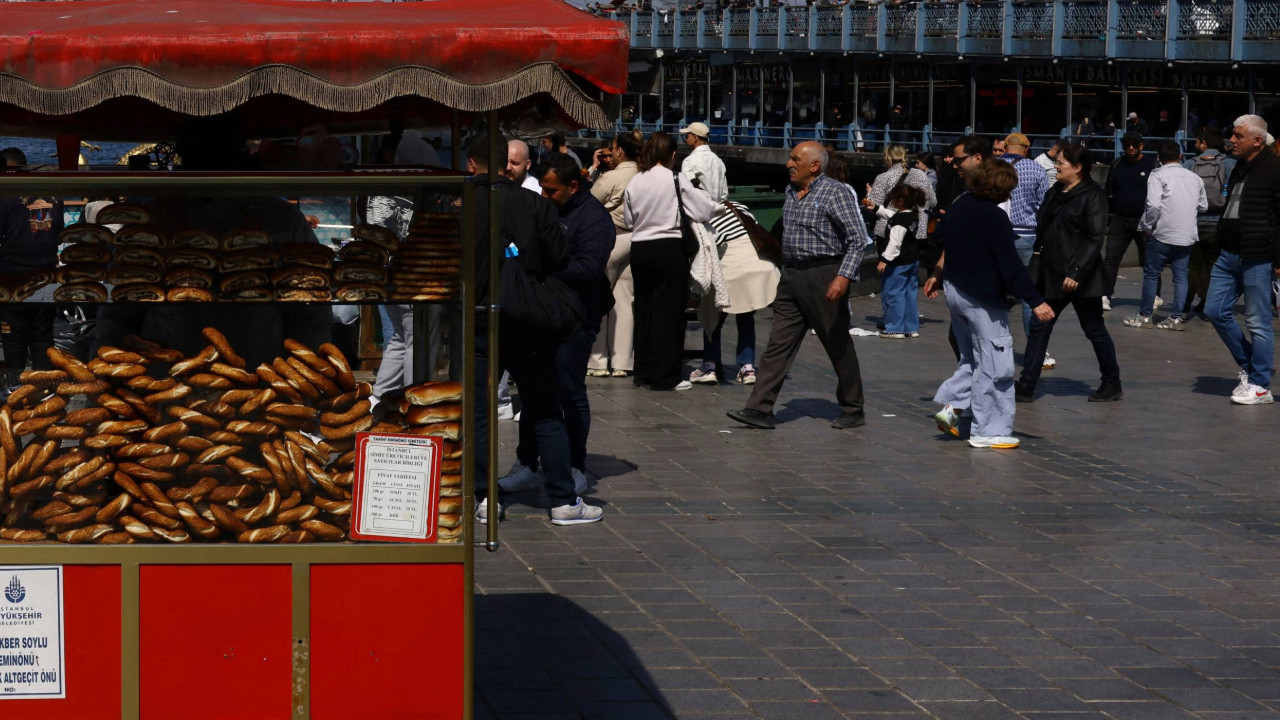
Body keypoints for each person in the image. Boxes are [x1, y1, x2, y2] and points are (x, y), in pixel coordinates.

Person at [466, 133, 601, 526]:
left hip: (476, 316)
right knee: (543, 408)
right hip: (526, 319)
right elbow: (558, 258)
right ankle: (562, 499)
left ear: (472, 164)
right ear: (507, 164)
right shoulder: (535, 204)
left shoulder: (460, 203)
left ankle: (484, 497)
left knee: (478, 411)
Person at [726, 141, 870, 431]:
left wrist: (843, 277)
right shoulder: (791, 191)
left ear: (814, 166)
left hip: (824, 274)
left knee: (837, 343)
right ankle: (759, 408)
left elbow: (858, 239)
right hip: (792, 276)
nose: (788, 164)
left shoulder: (836, 192)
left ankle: (853, 407)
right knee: (778, 343)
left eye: (795, 159)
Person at [500, 154, 613, 496]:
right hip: (541, 312)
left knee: (569, 388)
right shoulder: (542, 208)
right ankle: (527, 462)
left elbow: (589, 269)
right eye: (543, 190)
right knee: (534, 389)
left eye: (551, 191)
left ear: (573, 187)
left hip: (578, 315)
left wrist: (542, 266)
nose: (545, 196)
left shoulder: (594, 219)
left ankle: (575, 465)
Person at [929, 159, 1054, 449]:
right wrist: (1035, 300)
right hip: (982, 298)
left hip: (956, 290)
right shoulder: (994, 216)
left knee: (973, 358)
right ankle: (989, 430)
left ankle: (953, 411)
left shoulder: (961, 204)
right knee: (995, 363)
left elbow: (939, 239)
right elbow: (1010, 265)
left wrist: (937, 273)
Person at [1015, 143, 1123, 404]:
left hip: (1080, 277)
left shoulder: (1092, 195)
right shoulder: (1056, 191)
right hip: (1052, 273)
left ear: (1078, 167)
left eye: (1061, 163)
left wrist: (1076, 271)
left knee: (1093, 328)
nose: (1056, 166)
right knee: (1040, 326)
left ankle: (1112, 383)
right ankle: (1027, 385)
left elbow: (1094, 237)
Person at [623, 132, 719, 391]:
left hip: (640, 248)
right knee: (669, 312)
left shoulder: (635, 181)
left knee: (644, 309)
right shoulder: (676, 178)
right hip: (669, 248)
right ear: (672, 155)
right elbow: (703, 210)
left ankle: (643, 371)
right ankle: (665, 375)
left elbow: (629, 220)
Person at [1205, 114, 1280, 405]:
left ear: (1257, 141)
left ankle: (1261, 385)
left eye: (1239, 136)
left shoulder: (1274, 169)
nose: (1232, 140)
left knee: (1257, 321)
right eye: (1233, 135)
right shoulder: (1238, 166)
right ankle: (1253, 367)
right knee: (1214, 310)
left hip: (1257, 255)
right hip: (1228, 254)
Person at [689, 199, 780, 386]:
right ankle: (747, 368)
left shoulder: (704, 216)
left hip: (731, 271)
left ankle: (710, 366)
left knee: (712, 319)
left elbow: (708, 249)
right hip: (756, 268)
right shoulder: (738, 206)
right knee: (746, 318)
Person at [1123, 141, 1208, 331]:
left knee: (1152, 274)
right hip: (1186, 235)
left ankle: (1145, 316)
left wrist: (1147, 227)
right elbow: (1203, 206)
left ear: (1158, 158)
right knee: (1181, 277)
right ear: (1180, 156)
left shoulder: (1157, 175)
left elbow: (1153, 205)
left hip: (1162, 233)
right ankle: (1176, 317)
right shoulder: (1194, 178)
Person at [0, 148, 61, 386]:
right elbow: (58, 231)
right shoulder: (54, 194)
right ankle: (44, 392)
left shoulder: (5, 194)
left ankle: (15, 391)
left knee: (13, 338)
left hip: (12, 277)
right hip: (47, 274)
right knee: (43, 337)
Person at [587, 132, 642, 378]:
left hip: (611, 239)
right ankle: (622, 361)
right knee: (624, 300)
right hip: (635, 238)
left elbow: (589, 202)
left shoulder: (612, 176)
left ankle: (597, 360)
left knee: (599, 298)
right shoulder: (643, 174)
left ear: (620, 151)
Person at [1182, 126, 1236, 317]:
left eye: (1197, 141)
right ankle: (1208, 305)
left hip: (1194, 223)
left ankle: (1185, 304)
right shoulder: (1229, 164)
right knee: (1212, 265)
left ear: (1203, 143)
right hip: (1218, 223)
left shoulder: (1189, 164)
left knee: (1192, 265)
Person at [1102, 131, 1157, 311]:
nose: (1130, 148)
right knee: (1111, 258)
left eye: (1134, 144)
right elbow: (1108, 190)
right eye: (1127, 145)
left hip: (1144, 220)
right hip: (1120, 219)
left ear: (1141, 146)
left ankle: (1154, 295)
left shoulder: (1151, 165)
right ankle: (1105, 295)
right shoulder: (1117, 165)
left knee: (1148, 259)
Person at [874, 184, 927, 339]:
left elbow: (895, 242)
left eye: (893, 199)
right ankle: (910, 327)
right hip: (911, 261)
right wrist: (876, 208)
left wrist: (885, 259)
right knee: (909, 294)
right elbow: (893, 216)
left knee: (893, 294)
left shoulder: (899, 220)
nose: (891, 202)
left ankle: (894, 328)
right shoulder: (911, 215)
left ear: (901, 201)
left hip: (897, 263)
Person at [863, 144, 936, 251]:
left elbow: (874, 207)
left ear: (887, 158)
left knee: (888, 260)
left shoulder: (883, 177)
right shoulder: (921, 175)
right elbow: (932, 202)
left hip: (888, 232)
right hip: (914, 231)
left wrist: (869, 194)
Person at [678, 122, 728, 202]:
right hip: (717, 207)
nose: (686, 139)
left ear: (695, 138)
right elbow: (724, 194)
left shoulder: (689, 161)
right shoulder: (718, 161)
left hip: (699, 208)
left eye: (687, 136)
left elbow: (687, 193)